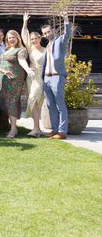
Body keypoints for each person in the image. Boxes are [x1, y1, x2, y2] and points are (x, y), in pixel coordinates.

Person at [41, 11, 72, 140]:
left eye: (48, 32)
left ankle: (62, 131)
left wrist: (65, 19)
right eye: (44, 33)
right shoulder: (47, 45)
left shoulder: (60, 41)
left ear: (53, 30)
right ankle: (54, 130)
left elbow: (68, 34)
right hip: (47, 78)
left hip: (57, 77)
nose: (47, 34)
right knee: (50, 105)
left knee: (60, 105)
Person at [0, 30, 35, 139]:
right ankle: (12, 126)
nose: (11, 39)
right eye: (9, 38)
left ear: (17, 38)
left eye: (13, 37)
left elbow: (22, 60)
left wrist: (27, 69)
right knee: (7, 102)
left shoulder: (21, 50)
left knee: (12, 102)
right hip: (4, 80)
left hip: (14, 80)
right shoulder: (7, 49)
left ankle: (14, 129)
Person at [21, 11, 46, 137]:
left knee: (35, 100)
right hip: (31, 78)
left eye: (35, 38)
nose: (33, 40)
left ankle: (37, 128)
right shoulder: (30, 48)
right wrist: (25, 22)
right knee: (34, 102)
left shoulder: (46, 50)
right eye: (32, 39)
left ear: (40, 38)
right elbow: (24, 35)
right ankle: (36, 128)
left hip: (41, 78)